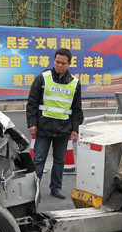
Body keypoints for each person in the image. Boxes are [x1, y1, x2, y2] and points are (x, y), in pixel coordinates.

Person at [26, 48, 83, 199]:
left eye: (63, 63)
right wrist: (32, 123)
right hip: (44, 127)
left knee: (59, 161)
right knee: (38, 160)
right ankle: (34, 190)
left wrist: (75, 129)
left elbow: (77, 109)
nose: (59, 65)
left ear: (69, 64)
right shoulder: (43, 78)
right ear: (54, 61)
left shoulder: (75, 83)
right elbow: (32, 102)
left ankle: (55, 188)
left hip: (63, 129)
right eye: (57, 62)